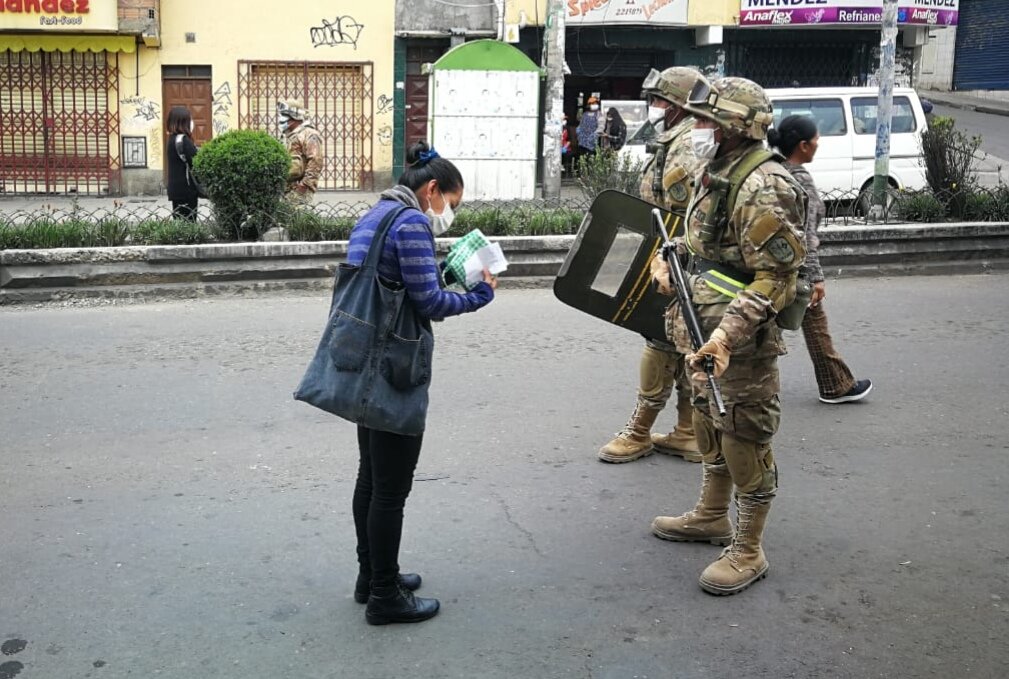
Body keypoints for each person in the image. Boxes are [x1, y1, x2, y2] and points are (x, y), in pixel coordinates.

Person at [650, 77, 807, 595]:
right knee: (708, 424)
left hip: (737, 342)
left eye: (708, 120)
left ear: (738, 126)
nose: (698, 127)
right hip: (698, 325)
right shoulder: (714, 166)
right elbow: (697, 235)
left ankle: (747, 547)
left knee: (744, 437)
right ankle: (712, 515)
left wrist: (724, 339)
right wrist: (667, 258)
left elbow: (777, 277)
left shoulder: (767, 186)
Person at [347, 141, 497, 625]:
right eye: (450, 204)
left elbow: (393, 283)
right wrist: (478, 295)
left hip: (364, 357)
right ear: (432, 189)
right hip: (395, 364)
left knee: (371, 476)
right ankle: (386, 597)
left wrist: (435, 275)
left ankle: (371, 575)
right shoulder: (412, 223)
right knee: (390, 488)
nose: (447, 213)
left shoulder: (379, 213)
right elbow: (430, 303)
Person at [598, 67, 712, 465]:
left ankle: (640, 431)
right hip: (676, 255)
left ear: (679, 105)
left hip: (678, 259)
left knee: (660, 343)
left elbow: (678, 206)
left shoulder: (684, 146)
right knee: (682, 345)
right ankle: (686, 431)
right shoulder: (677, 139)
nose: (654, 107)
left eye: (660, 100)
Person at [768, 115, 873, 404]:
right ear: (803, 146)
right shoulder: (799, 179)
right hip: (795, 268)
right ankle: (834, 385)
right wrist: (816, 277)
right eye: (815, 140)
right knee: (810, 325)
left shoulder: (771, 170)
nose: (818, 144)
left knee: (769, 324)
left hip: (769, 265)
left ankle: (835, 383)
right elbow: (804, 234)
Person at [278, 100, 325, 205]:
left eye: (285, 115)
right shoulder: (289, 135)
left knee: (294, 218)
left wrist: (305, 185)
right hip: (286, 188)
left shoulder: (309, 134)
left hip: (300, 189)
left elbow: (316, 161)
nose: (281, 119)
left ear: (295, 117)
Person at [166, 106, 200, 221]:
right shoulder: (183, 140)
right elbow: (196, 161)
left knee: (179, 222)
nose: (192, 122)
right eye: (189, 119)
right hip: (186, 190)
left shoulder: (172, 139)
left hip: (175, 189)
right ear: (183, 122)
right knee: (189, 222)